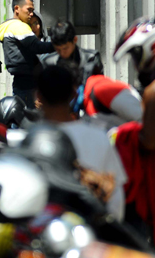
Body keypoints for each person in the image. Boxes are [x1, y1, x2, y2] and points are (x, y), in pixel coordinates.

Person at [36, 65, 127, 221]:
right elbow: (116, 196)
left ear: (38, 97)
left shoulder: (32, 140)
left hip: (43, 235)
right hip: (93, 231)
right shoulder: (99, 137)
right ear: (73, 94)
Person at [110, 16, 155, 241]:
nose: (136, 65)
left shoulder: (153, 91)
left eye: (136, 56)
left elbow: (148, 140)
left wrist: (124, 135)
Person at [0, 0, 54, 108]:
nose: (31, 14)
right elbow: (37, 46)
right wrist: (59, 45)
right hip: (28, 84)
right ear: (17, 8)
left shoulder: (9, 26)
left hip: (20, 82)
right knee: (30, 119)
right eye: (29, 10)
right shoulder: (19, 26)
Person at [40, 20, 103, 86]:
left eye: (65, 48)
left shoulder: (91, 58)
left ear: (75, 40)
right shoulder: (49, 62)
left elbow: (99, 87)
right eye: (58, 49)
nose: (62, 53)